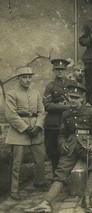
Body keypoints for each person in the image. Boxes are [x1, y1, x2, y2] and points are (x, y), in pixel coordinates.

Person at [25, 84, 92, 213]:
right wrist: (62, 143)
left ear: (82, 99)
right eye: (71, 97)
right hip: (71, 145)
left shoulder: (91, 111)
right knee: (61, 170)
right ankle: (46, 202)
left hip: (88, 143)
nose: (72, 100)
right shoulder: (65, 113)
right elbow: (62, 134)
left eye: (76, 98)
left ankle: (87, 197)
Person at [5, 67, 47, 200]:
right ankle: (14, 190)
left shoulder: (36, 93)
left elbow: (41, 111)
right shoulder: (12, 94)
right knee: (17, 162)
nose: (28, 80)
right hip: (19, 132)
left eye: (29, 77)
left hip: (35, 130)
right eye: (24, 77)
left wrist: (38, 126)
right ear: (18, 78)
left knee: (40, 159)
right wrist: (25, 128)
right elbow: (11, 115)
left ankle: (39, 182)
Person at [43, 59, 76, 174]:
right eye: (57, 69)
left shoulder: (72, 84)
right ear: (53, 70)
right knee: (53, 151)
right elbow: (47, 105)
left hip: (70, 121)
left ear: (66, 70)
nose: (60, 72)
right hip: (54, 123)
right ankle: (55, 175)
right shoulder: (50, 86)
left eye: (62, 69)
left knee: (70, 149)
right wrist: (63, 106)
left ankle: (69, 175)